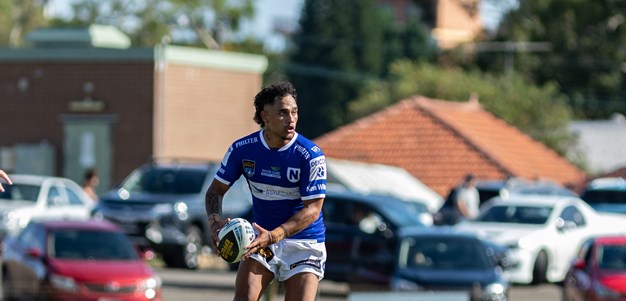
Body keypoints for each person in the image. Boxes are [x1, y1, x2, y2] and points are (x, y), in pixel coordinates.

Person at [205, 81, 327, 301]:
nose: (291, 120)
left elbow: (313, 211)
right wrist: (215, 223)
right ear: (265, 116)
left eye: (294, 112)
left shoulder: (310, 155)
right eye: (282, 113)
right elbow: (215, 191)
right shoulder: (243, 149)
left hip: (304, 243)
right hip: (260, 238)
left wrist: (274, 235)